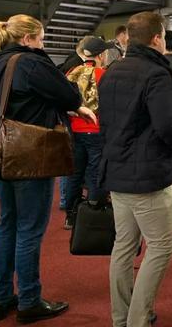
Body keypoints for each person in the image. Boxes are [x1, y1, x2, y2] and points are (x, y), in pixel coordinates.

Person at [0, 14, 95, 323]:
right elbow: (69, 94)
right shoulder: (31, 63)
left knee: (7, 225)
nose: (42, 44)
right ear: (28, 38)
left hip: (2, 155)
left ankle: (2, 297)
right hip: (32, 157)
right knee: (30, 230)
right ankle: (30, 300)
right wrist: (76, 105)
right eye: (41, 39)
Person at [99, 11, 172, 327]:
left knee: (123, 247)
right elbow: (168, 123)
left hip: (117, 172)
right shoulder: (156, 74)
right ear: (156, 38)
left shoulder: (112, 71)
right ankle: (138, 319)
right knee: (163, 246)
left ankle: (121, 318)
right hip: (148, 177)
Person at [63, 37, 112, 230]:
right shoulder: (104, 74)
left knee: (75, 173)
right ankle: (92, 213)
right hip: (96, 130)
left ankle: (70, 215)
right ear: (101, 55)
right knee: (95, 172)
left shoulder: (71, 72)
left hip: (75, 130)